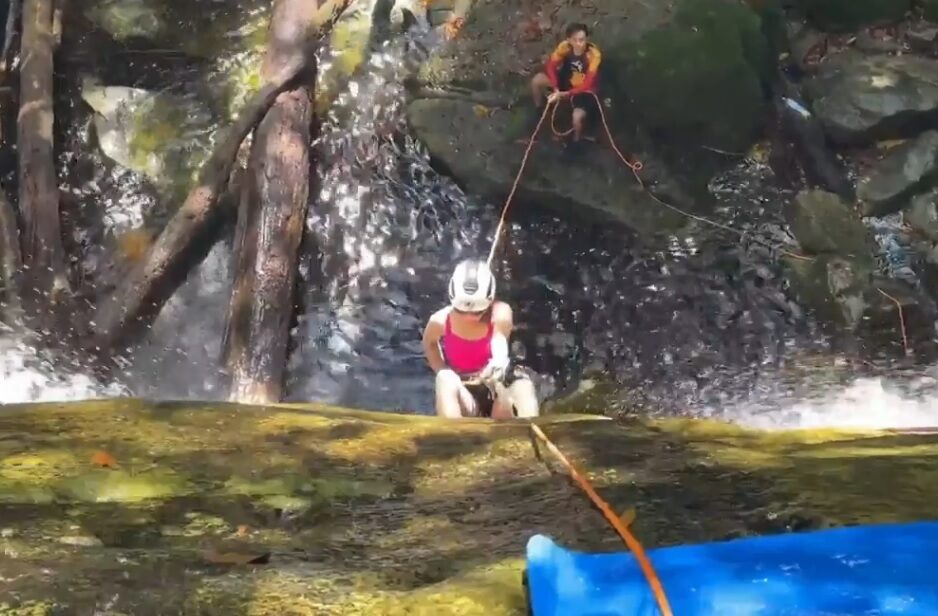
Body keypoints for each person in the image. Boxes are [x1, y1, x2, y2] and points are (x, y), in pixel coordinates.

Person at [421, 259, 540, 419]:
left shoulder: (501, 312)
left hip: (497, 389)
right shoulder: (439, 321)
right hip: (467, 395)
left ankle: (524, 429)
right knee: (444, 378)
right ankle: (453, 432)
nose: (469, 317)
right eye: (462, 311)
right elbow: (429, 343)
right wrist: (442, 368)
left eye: (478, 312)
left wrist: (498, 361)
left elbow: (499, 337)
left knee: (523, 387)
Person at [529, 23, 602, 156]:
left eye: (582, 40)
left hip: (584, 90)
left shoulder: (593, 55)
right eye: (575, 40)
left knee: (576, 116)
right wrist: (556, 87)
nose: (579, 44)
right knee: (537, 81)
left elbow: (588, 83)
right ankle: (540, 112)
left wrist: (565, 94)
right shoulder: (565, 47)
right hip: (565, 81)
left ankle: (576, 141)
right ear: (569, 40)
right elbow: (551, 66)